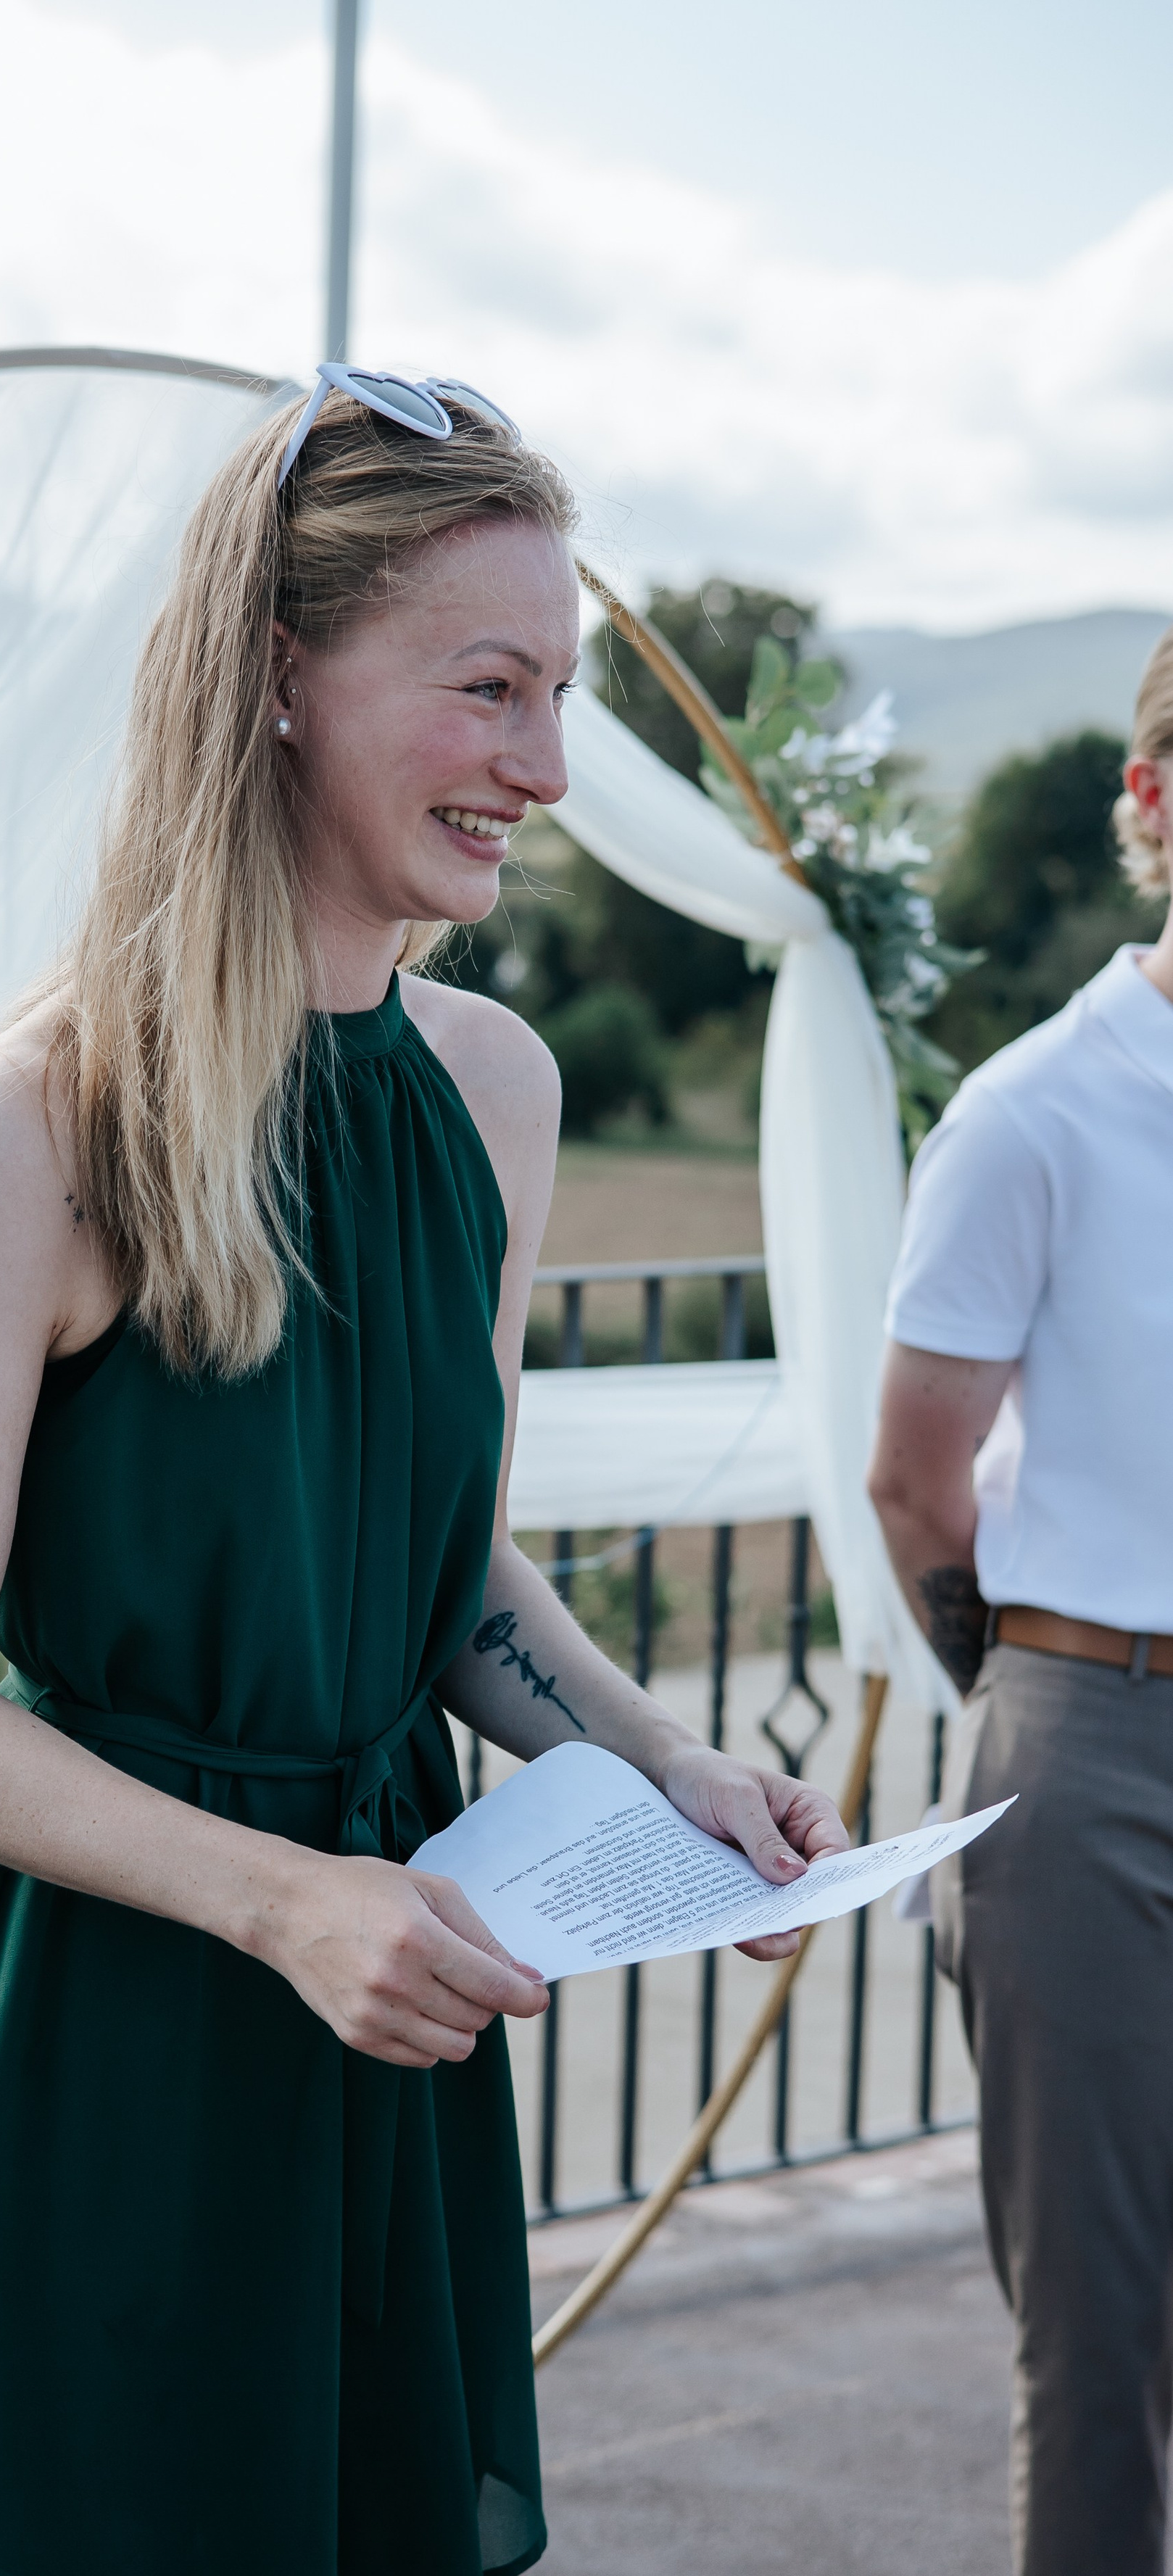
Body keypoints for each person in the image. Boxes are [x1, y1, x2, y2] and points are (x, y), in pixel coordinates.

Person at [0, 368, 849, 2576]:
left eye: (561, 696)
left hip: (389, 2024)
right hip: (98, 2047)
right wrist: (289, 1903)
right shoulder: (24, 1133)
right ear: (283, 680)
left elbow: (450, 1576)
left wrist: (667, 1764)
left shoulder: (492, 1089)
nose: (548, 770)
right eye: (489, 689)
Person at [869, 633, 1173, 2576]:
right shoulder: (1035, 1112)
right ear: (1153, 806)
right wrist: (1031, 1710)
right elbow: (916, 1479)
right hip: (1095, 1766)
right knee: (1099, 2343)